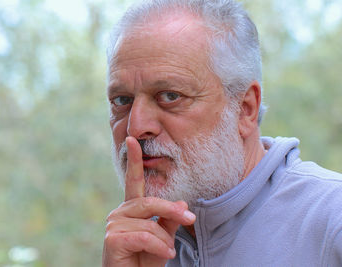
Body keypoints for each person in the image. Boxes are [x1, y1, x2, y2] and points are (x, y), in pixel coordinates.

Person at [102, 0, 342, 266]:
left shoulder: (332, 221)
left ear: (245, 109)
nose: (135, 128)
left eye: (170, 96)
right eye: (122, 101)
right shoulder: (134, 245)